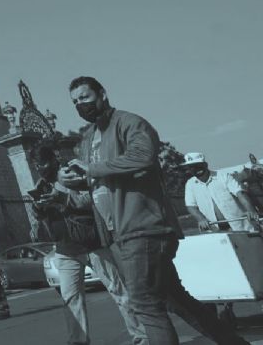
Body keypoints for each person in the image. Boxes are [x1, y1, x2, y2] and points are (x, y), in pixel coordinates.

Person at [60, 76, 249, 345]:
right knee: (176, 300)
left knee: (144, 303)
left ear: (102, 94)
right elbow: (100, 178)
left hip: (143, 228)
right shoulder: (88, 137)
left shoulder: (129, 123)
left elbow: (142, 157)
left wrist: (91, 168)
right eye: (75, 101)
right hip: (117, 234)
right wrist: (71, 179)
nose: (81, 104)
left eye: (85, 97)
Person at [29, 141, 144, 345]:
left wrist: (61, 198)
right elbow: (41, 216)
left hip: (92, 244)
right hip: (65, 249)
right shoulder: (41, 185)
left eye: (43, 163)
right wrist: (38, 207)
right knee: (70, 299)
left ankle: (141, 336)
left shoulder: (71, 173)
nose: (40, 168)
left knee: (118, 291)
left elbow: (91, 199)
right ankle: (78, 341)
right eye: (36, 165)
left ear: (53, 159)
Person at [182, 152, 259, 232]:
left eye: (198, 166)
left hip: (239, 225)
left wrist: (250, 210)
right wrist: (201, 219)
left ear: (205, 165)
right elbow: (191, 206)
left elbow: (240, 193)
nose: (196, 169)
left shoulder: (223, 176)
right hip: (215, 229)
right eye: (192, 167)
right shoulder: (190, 184)